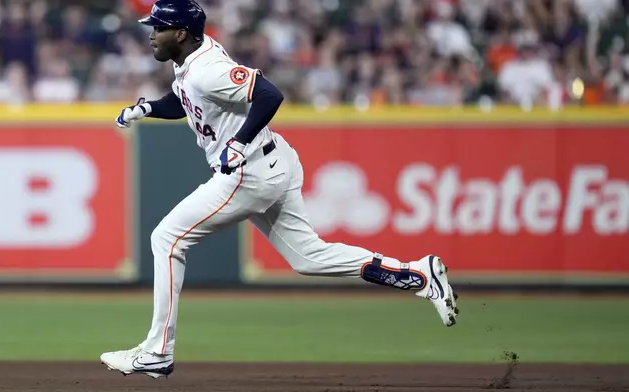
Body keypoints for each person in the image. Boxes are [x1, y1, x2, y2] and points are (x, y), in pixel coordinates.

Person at [100, 0, 459, 379]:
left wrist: (237, 142)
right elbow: (188, 101)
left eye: (158, 28)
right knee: (309, 258)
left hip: (249, 171)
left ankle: (157, 352)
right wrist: (148, 108)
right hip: (272, 162)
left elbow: (269, 94)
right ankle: (416, 275)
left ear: (181, 34)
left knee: (167, 239)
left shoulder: (207, 69)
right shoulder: (190, 62)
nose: (151, 34)